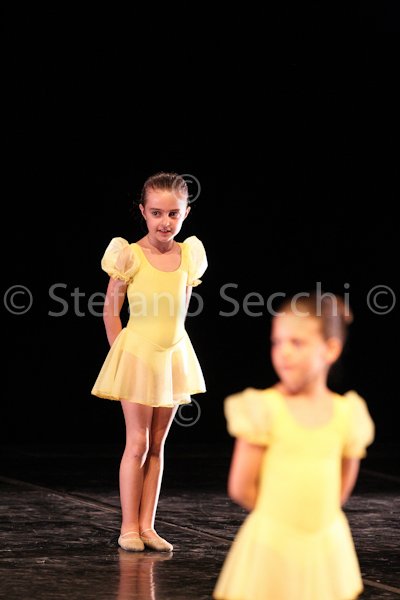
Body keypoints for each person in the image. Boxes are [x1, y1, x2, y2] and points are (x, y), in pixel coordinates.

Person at [213, 292, 375, 600]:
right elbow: (241, 487)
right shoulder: (263, 410)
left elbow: (340, 488)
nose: (283, 352)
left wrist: (315, 524)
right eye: (277, 342)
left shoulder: (347, 414)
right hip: (273, 545)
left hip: (324, 546)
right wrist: (281, 521)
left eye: (297, 343)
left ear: (330, 349)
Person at [91, 172, 207, 552]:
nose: (164, 222)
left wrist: (174, 348)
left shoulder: (188, 256)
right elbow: (111, 311)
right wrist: (122, 356)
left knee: (157, 444)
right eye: (156, 213)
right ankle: (128, 526)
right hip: (138, 357)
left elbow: (182, 311)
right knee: (137, 442)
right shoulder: (130, 255)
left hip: (171, 357)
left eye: (173, 214)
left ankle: (147, 526)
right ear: (143, 211)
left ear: (186, 213)